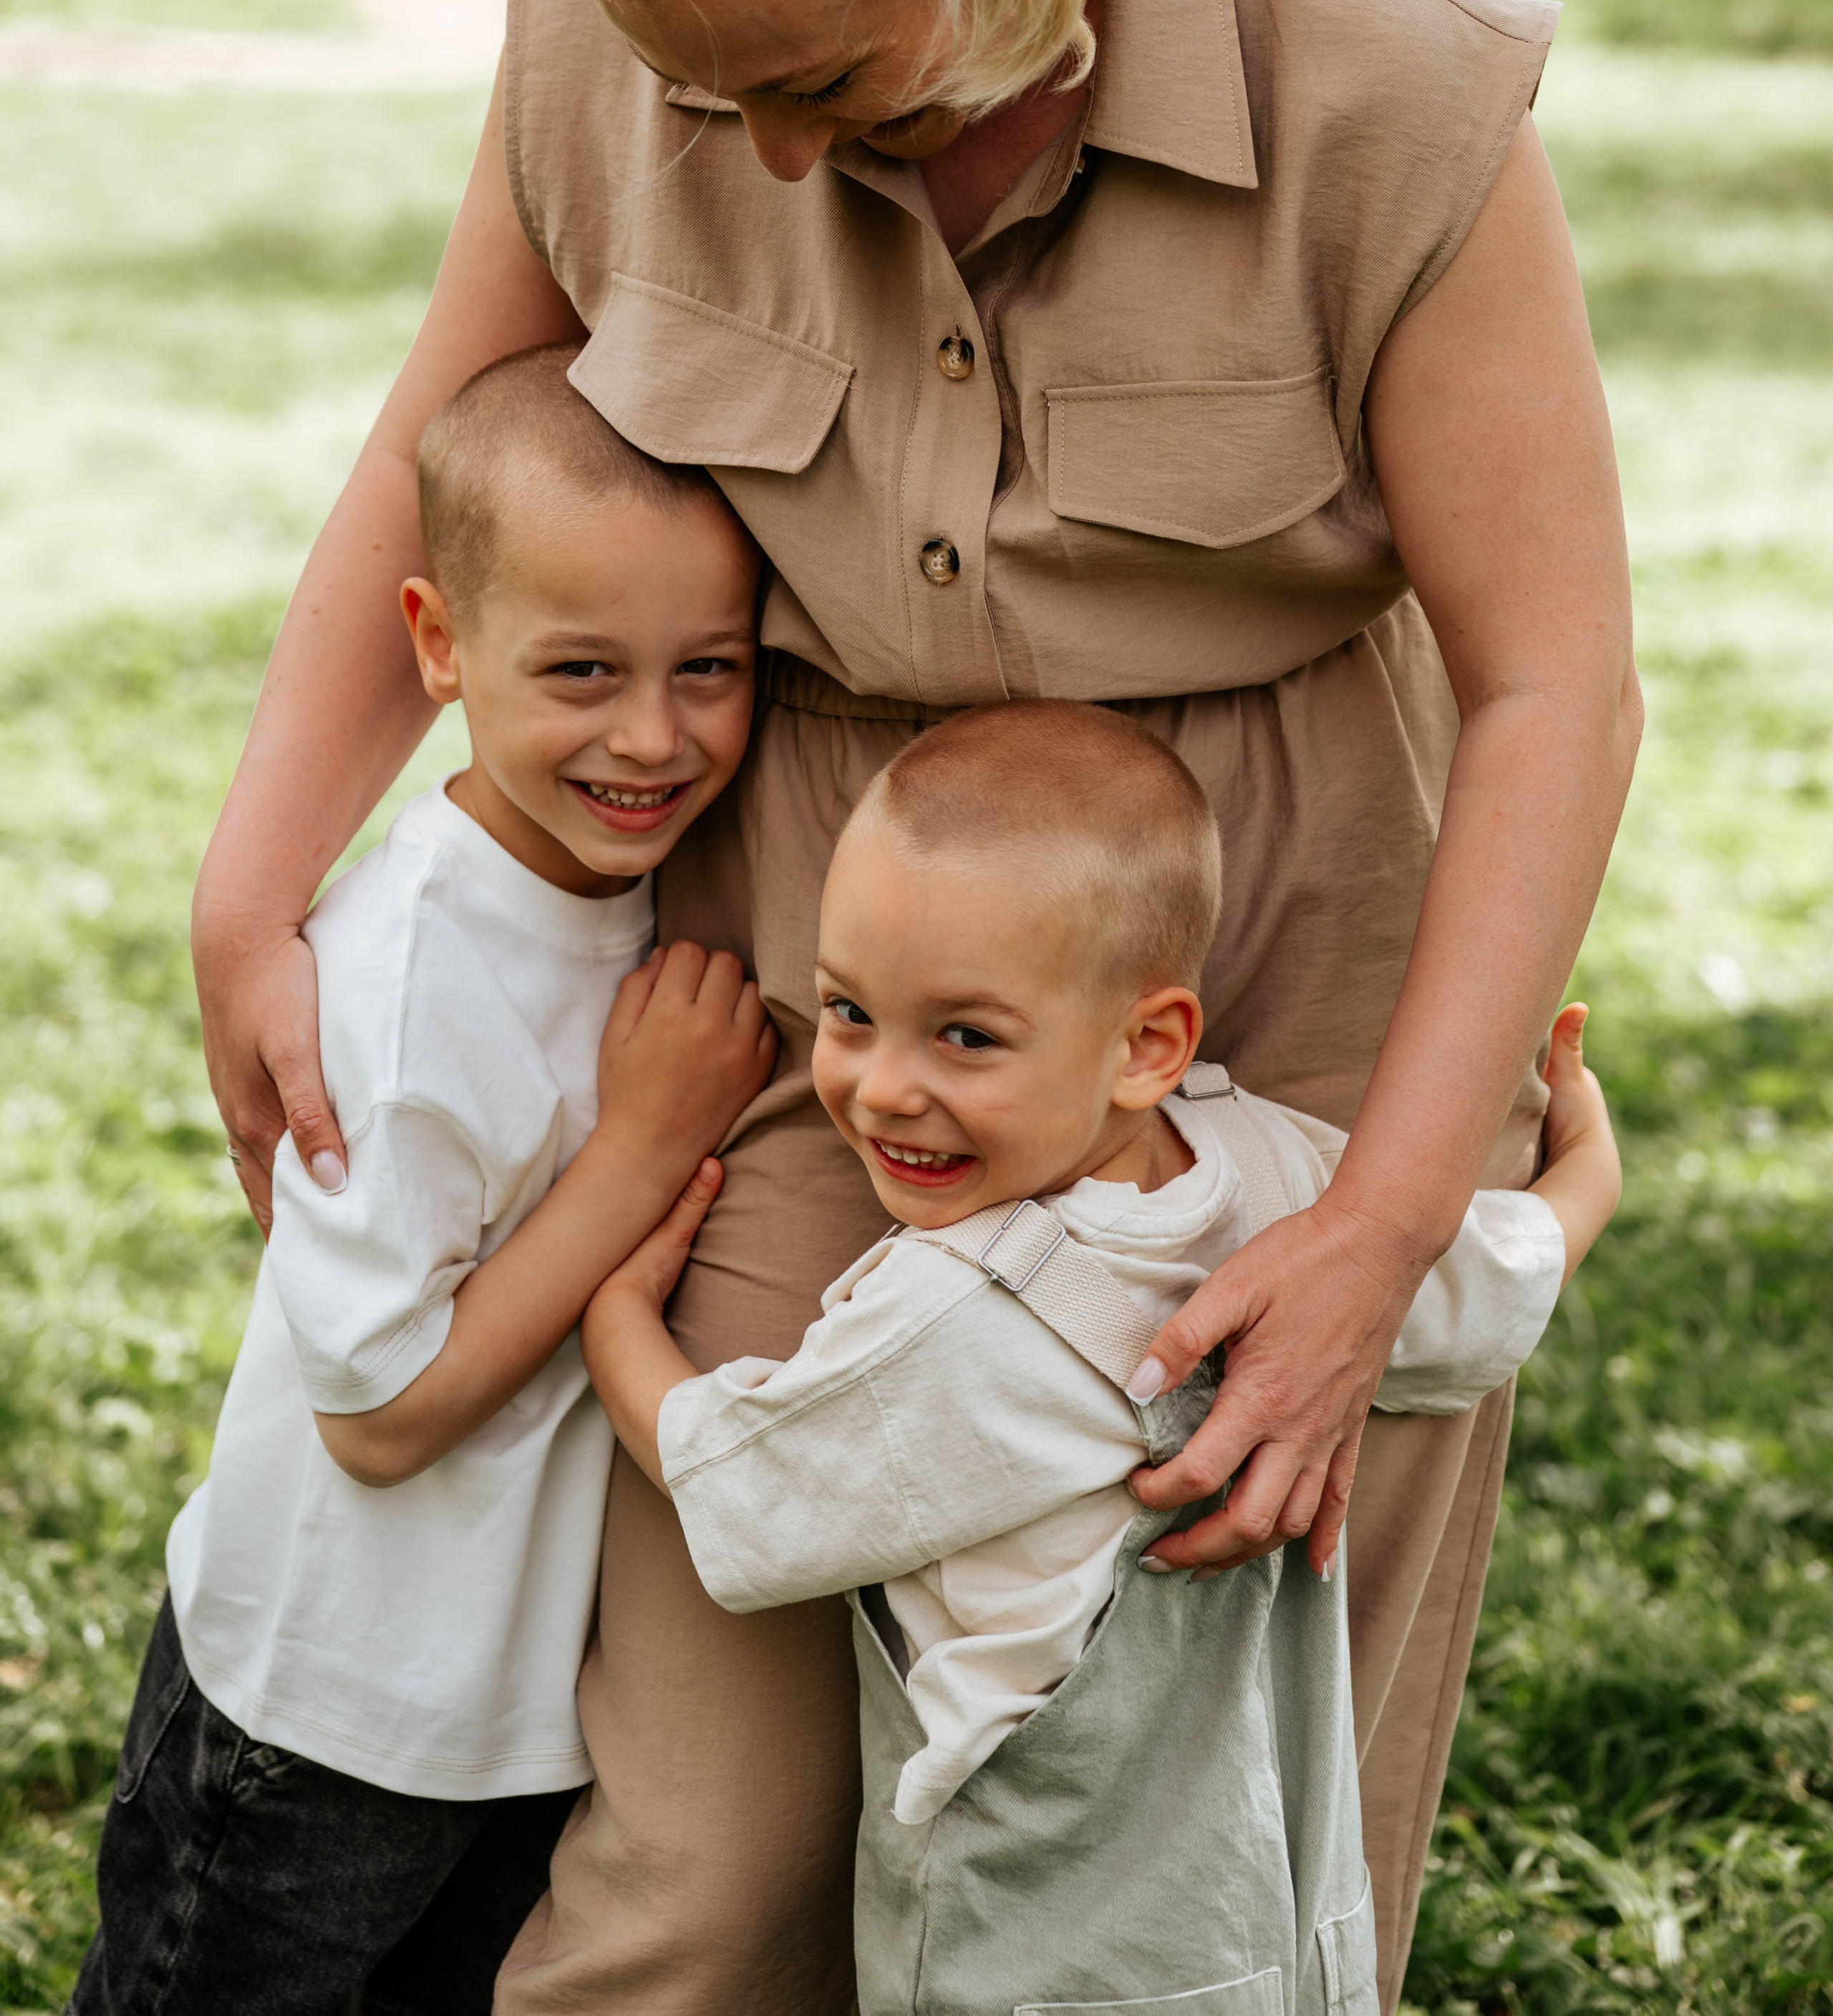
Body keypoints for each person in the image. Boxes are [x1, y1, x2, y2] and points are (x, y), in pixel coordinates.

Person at [190, 0, 1642, 2016]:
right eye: (691, 92)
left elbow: (1555, 682)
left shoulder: (1391, 81)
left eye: (823, 86)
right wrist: (251, 877)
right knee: (709, 1855)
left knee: (1204, 1826)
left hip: (1269, 943)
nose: (745, 158)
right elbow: (437, 455)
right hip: (811, 955)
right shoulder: (620, 39)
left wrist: (1384, 1223)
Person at [585, 704, 1624, 2016]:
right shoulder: (1285, 1189)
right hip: (1268, 1931)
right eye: (849, 1009)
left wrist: (613, 1307)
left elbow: (735, 1479)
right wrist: (1593, 1166)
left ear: (1149, 1045)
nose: (885, 1086)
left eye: (964, 1035)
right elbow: (1482, 1277)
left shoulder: (954, 1318)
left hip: (1027, 1957)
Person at [69, 350, 776, 2016]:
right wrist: (637, 1155)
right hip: (316, 1722)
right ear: (439, 644)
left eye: (712, 669)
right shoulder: (394, 987)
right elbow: (380, 1413)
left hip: (509, 1719)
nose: (652, 734)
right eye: (582, 668)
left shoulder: (629, 892)